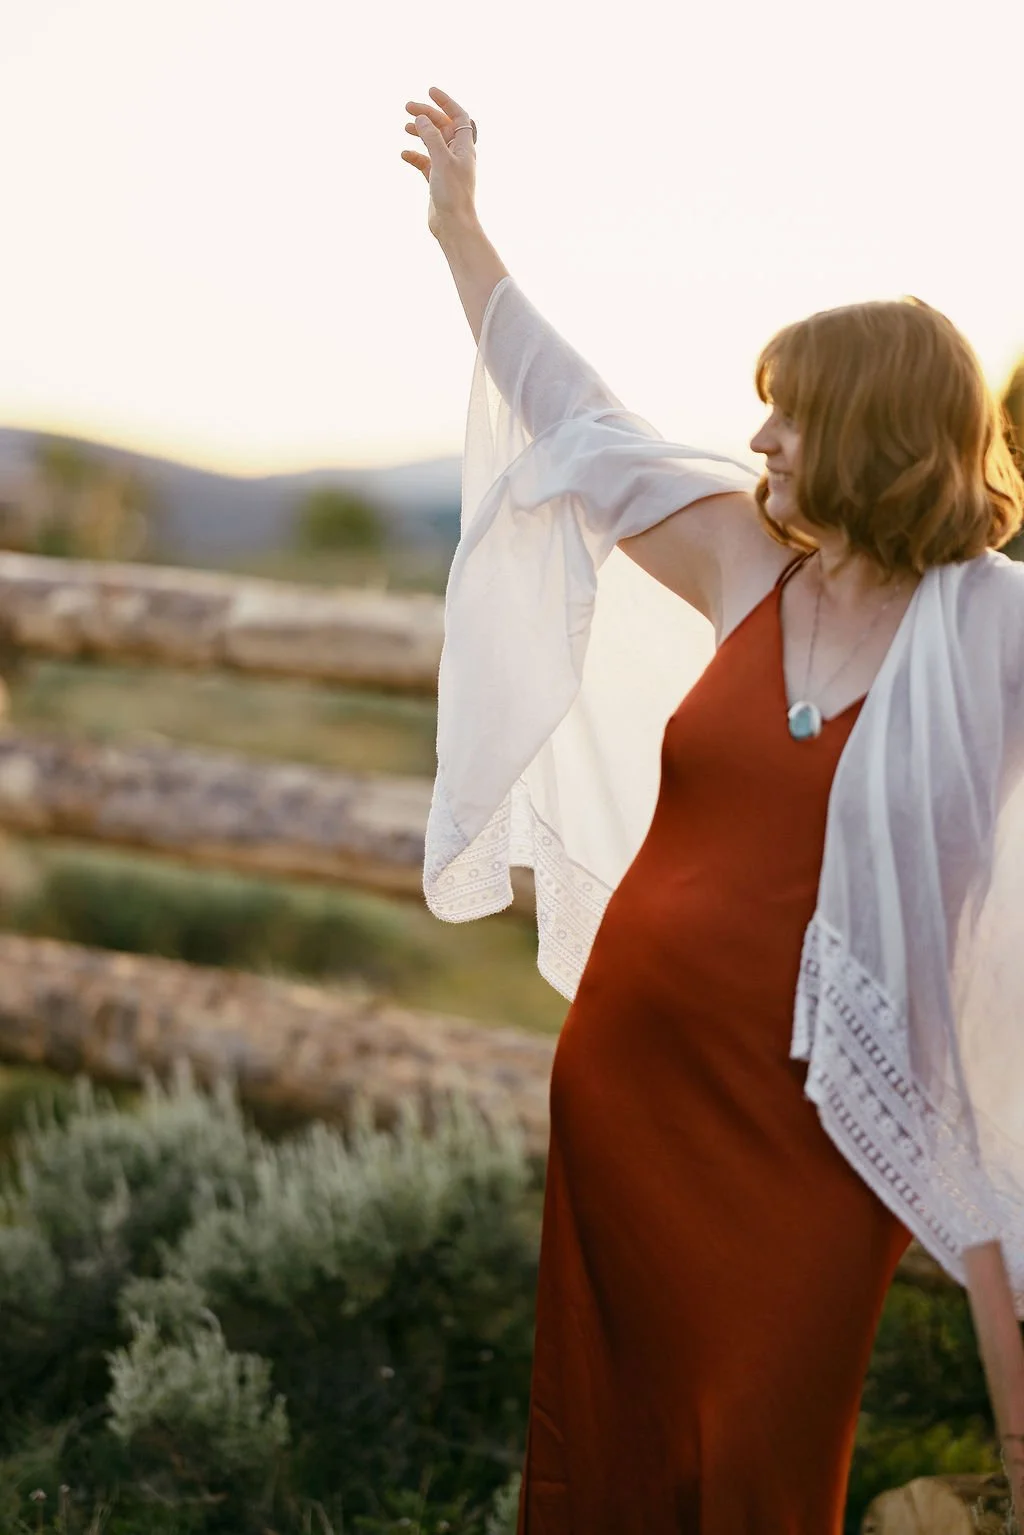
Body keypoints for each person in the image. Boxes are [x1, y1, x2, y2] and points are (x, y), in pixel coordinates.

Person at [402, 87, 1024, 1532]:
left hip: (809, 1130)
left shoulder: (989, 635)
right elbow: (578, 412)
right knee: (611, 1454)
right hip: (628, 1082)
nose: (757, 432)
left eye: (790, 409)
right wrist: (462, 232)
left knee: (755, 1456)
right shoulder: (752, 564)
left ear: (869, 430)